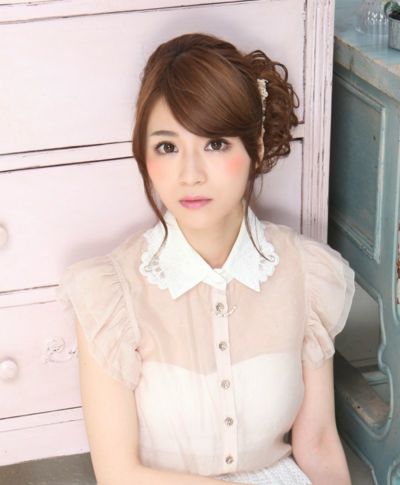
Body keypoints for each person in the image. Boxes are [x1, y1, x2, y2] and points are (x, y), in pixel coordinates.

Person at [57, 33, 355, 485]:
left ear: (255, 146)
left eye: (215, 143)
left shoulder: (306, 275)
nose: (190, 174)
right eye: (168, 147)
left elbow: (316, 441)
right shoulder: (110, 294)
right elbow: (119, 473)